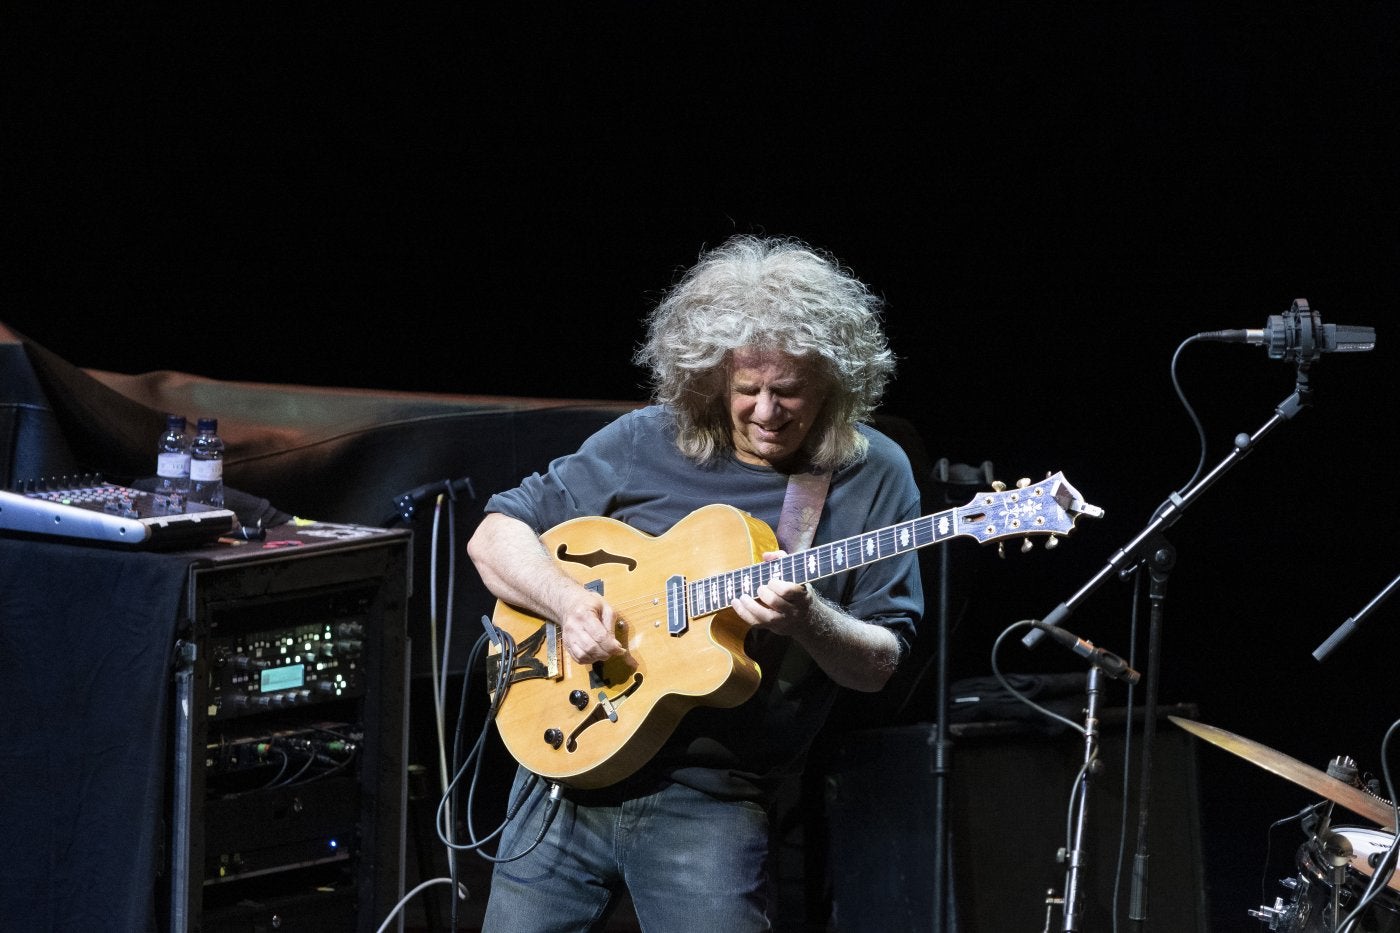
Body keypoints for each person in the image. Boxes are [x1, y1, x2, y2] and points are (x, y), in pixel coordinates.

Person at [466, 233, 925, 931]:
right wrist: (567, 602)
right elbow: (494, 534)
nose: (767, 413)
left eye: (790, 392)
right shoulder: (645, 439)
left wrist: (808, 617)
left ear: (834, 380)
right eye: (749, 390)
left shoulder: (875, 472)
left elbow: (880, 666)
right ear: (712, 376)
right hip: (559, 774)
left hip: (710, 799)